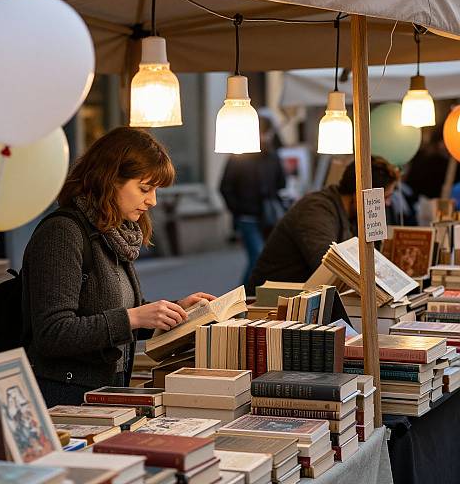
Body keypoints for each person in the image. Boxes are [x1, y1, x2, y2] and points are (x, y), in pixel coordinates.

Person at [22, 127, 215, 407]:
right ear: (110, 179)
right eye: (144, 188)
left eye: (155, 190)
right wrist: (134, 318)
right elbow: (53, 332)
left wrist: (170, 311)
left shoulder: (114, 233)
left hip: (103, 394)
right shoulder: (62, 233)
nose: (152, 201)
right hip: (67, 400)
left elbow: (112, 313)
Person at [247, 156, 399, 294]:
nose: (387, 204)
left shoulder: (352, 214)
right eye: (385, 197)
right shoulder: (315, 209)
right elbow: (328, 266)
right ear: (362, 195)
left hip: (305, 299)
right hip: (269, 304)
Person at [220, 115, 286, 286]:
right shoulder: (238, 156)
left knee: (266, 259)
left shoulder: (273, 156)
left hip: (268, 216)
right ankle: (244, 296)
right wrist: (238, 209)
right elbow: (225, 187)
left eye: (266, 133)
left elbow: (281, 182)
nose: (264, 137)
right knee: (257, 256)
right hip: (247, 216)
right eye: (261, 133)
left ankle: (247, 295)